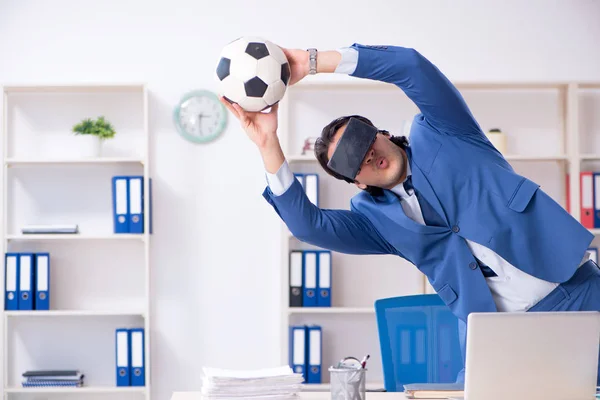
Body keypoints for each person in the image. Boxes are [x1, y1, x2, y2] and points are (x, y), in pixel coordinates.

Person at [221, 43, 600, 384]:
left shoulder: (445, 132)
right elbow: (309, 225)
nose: (367, 154)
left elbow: (412, 68)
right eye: (353, 161)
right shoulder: (376, 222)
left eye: (364, 140)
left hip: (577, 289)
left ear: (382, 133)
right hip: (503, 336)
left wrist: (315, 61)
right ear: (355, 182)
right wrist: (268, 142)